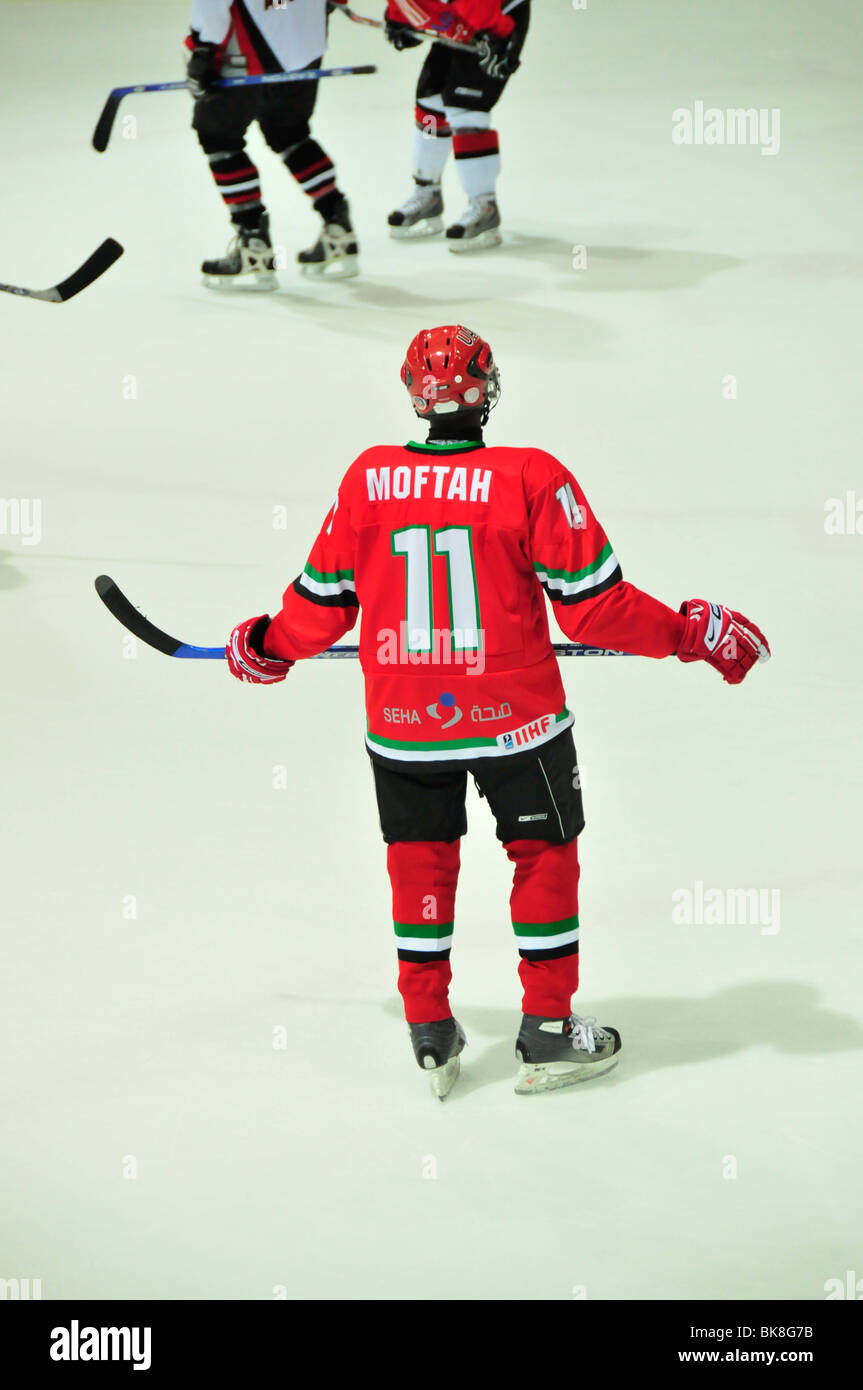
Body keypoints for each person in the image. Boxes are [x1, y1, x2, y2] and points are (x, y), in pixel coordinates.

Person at [225, 325, 770, 1098]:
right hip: (516, 718)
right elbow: (592, 609)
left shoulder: (367, 479)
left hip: (406, 723)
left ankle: (429, 1028)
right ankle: (547, 1030)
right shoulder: (530, 476)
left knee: (419, 861)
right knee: (542, 857)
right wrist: (689, 634)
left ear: (413, 394)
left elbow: (322, 604)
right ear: (490, 387)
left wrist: (268, 645)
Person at [186, 0, 359, 287]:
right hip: (305, 43)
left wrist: (203, 48)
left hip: (249, 48)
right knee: (289, 132)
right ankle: (338, 227)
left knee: (218, 136)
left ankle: (254, 246)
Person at [384, 0, 529, 249]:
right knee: (430, 107)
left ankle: (484, 205)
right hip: (460, 19)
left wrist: (503, 39)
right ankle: (426, 192)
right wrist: (398, 20)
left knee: (466, 110)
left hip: (495, 16)